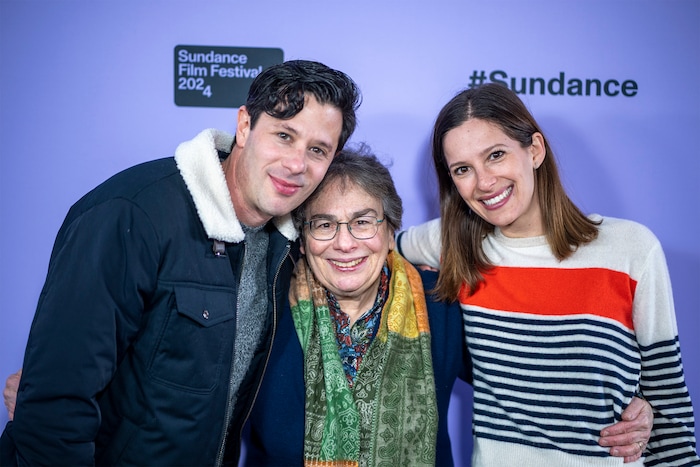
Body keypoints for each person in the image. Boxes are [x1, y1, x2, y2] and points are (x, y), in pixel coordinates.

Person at [0, 59, 361, 466]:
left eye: (317, 150)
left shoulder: (288, 243)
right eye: (283, 135)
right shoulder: (132, 214)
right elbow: (54, 402)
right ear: (244, 126)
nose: (297, 164)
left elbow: (369, 239)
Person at [240, 147, 653, 466]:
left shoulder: (441, 301)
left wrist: (639, 406)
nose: (345, 242)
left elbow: (530, 378)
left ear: (390, 233)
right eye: (324, 224)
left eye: (364, 221)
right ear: (303, 235)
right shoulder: (264, 307)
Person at [397, 83, 700, 466]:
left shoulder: (632, 250)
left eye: (496, 155)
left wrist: (651, 413)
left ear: (534, 150)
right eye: (463, 169)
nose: (484, 182)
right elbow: (369, 247)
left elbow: (670, 409)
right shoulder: (454, 244)